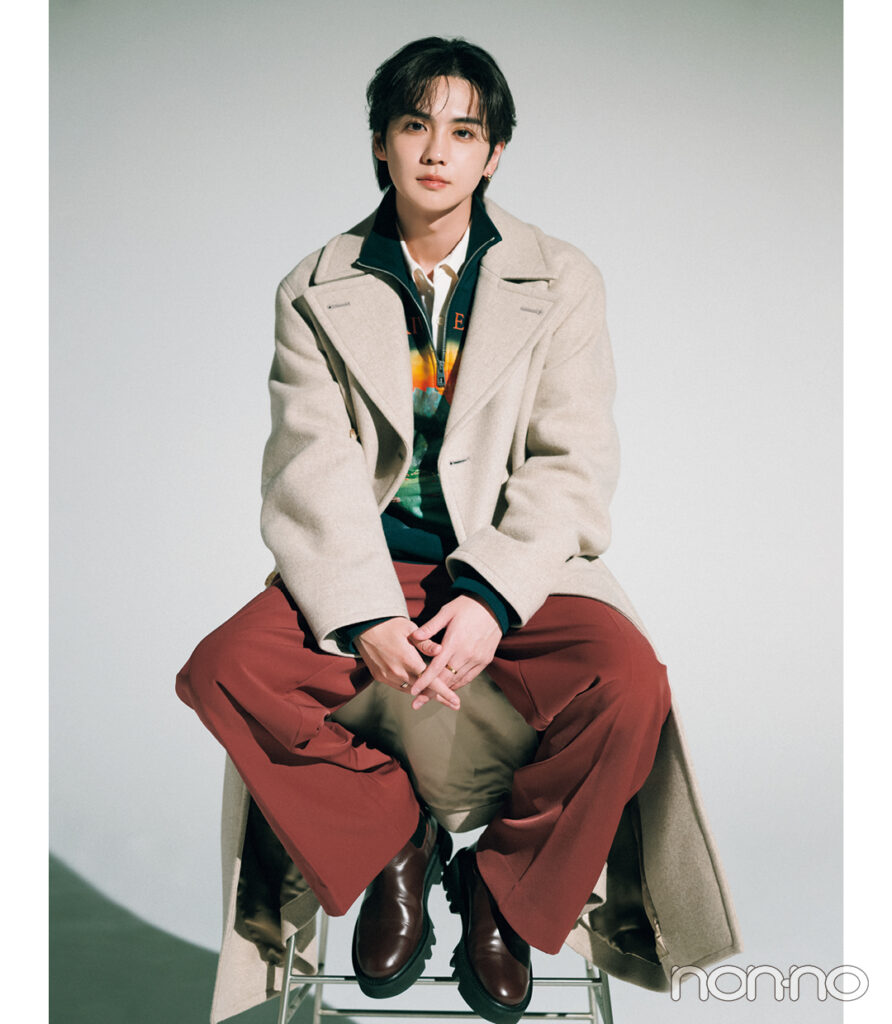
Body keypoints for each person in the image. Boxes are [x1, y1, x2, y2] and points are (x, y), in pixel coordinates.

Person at [176, 36, 671, 1024]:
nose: (437, 150)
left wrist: (490, 598)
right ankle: (393, 841)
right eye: (414, 125)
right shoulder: (313, 285)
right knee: (225, 668)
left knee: (630, 684)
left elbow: (572, 460)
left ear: (494, 154)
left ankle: (503, 886)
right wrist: (363, 613)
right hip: (369, 565)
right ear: (381, 143)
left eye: (464, 131)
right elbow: (309, 464)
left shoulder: (561, 277)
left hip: (515, 567)